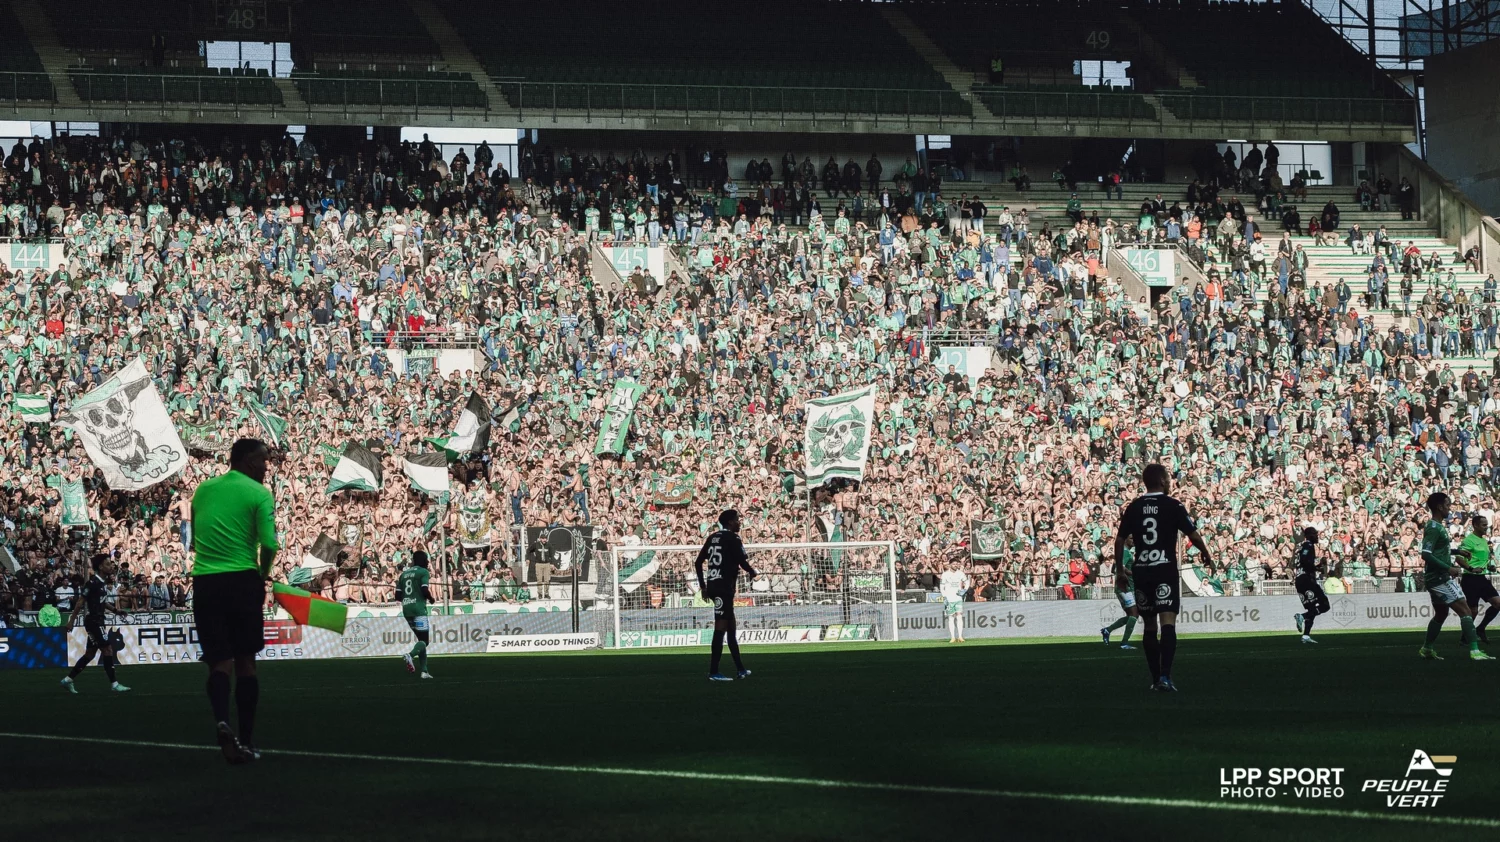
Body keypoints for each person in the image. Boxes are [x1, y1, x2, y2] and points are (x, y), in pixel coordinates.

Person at [192, 438, 281, 764]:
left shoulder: (203, 490)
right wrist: (262, 575)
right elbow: (270, 544)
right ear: (246, 461)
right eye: (263, 460)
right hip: (242, 579)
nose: (266, 466)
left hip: (204, 581)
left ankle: (221, 721)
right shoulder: (259, 493)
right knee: (245, 662)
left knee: (219, 662)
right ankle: (245, 739)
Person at [1113, 464, 1212, 692]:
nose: (1170, 482)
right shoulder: (1173, 505)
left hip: (1142, 570)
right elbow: (1193, 535)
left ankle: (1155, 678)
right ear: (1162, 481)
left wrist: (1119, 570)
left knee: (1148, 625)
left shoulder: (1134, 507)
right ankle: (1166, 677)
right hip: (1164, 569)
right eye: (1168, 479)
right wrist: (1206, 554)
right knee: (1167, 622)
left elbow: (1119, 540)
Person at [1418, 492, 1493, 661]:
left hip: (1437, 577)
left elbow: (1438, 550)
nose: (1449, 508)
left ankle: (1427, 648)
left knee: (1441, 614)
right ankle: (1474, 651)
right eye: (1447, 505)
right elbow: (1426, 554)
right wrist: (1449, 568)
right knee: (1466, 611)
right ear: (1439, 506)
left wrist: (1457, 551)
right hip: (1439, 578)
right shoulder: (1433, 527)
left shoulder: (1437, 526)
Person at [694, 509, 756, 681]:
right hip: (723, 587)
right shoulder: (733, 538)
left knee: (731, 627)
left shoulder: (712, 537)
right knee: (721, 628)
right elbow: (742, 561)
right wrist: (753, 572)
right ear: (730, 522)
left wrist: (703, 586)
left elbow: (698, 562)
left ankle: (741, 670)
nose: (739, 522)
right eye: (737, 520)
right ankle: (714, 672)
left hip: (717, 586)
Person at [60, 554, 130, 695]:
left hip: (98, 621)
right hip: (94, 621)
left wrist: (116, 610)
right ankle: (114, 684)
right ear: (100, 567)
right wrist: (71, 621)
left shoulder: (101, 583)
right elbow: (80, 602)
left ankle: (68, 680)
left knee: (90, 654)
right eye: (108, 564)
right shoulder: (92, 583)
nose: (111, 566)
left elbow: (102, 602)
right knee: (108, 650)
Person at [1455, 514, 1500, 643]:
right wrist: (1470, 568)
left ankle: (1480, 628)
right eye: (1484, 525)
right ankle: (1465, 637)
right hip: (1470, 578)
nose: (1487, 527)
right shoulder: (1469, 540)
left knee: (1498, 603)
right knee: (1473, 610)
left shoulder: (1484, 540)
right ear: (1475, 525)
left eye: (1487, 525)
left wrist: (1490, 568)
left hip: (1482, 578)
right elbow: (1459, 558)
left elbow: (1482, 560)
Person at [397, 550, 436, 678]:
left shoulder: (403, 574)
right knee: (425, 640)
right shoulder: (423, 572)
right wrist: (431, 599)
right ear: (423, 560)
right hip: (419, 609)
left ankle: (424, 671)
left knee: (421, 641)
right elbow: (425, 589)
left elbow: (397, 596)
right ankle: (410, 655)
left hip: (406, 610)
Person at [1292, 527, 1329, 644]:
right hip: (1306, 580)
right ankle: (1302, 616)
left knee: (1312, 609)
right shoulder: (1308, 545)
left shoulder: (1302, 547)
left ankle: (1306, 636)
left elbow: (1301, 562)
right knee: (1325, 604)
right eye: (1315, 534)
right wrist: (1316, 567)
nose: (1317, 536)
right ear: (1309, 535)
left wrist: (1316, 566)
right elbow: (1304, 560)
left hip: (1300, 580)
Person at [1100, 538, 1138, 650]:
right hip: (1125, 587)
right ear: (1126, 539)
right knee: (1134, 614)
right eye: (1131, 538)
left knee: (1132, 615)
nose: (1133, 540)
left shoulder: (1124, 552)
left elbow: (1115, 568)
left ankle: (1107, 630)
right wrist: (1134, 573)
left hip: (1125, 587)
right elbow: (1122, 567)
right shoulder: (1125, 552)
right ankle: (1124, 643)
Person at [939, 560, 970, 643]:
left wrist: (964, 590)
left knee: (959, 615)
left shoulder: (960, 573)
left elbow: (967, 582)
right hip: (949, 598)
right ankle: (952, 637)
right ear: (950, 565)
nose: (956, 565)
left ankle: (960, 636)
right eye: (954, 564)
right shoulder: (945, 574)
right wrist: (944, 597)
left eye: (957, 564)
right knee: (951, 617)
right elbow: (941, 587)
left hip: (958, 598)